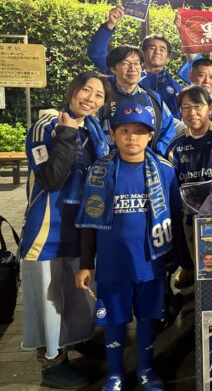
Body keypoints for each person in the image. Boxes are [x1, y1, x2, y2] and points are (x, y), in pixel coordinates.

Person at [75, 102, 181, 391]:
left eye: (139, 131)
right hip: (113, 265)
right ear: (113, 134)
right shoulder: (99, 172)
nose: (132, 137)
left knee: (148, 318)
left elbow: (174, 216)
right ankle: (115, 373)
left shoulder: (164, 171)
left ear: (150, 135)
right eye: (124, 131)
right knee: (115, 320)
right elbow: (88, 223)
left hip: (150, 262)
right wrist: (86, 264)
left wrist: (176, 259)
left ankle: (146, 369)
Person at [20, 72, 112, 388]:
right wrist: (67, 134)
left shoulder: (95, 131)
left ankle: (73, 340)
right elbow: (51, 179)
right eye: (86, 90)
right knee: (48, 298)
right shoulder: (47, 126)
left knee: (76, 295)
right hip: (48, 230)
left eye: (99, 95)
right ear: (72, 90)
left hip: (80, 228)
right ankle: (51, 362)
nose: (91, 98)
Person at [166, 85, 212, 288]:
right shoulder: (175, 146)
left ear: (210, 108)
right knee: (202, 269)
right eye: (186, 108)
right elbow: (172, 187)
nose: (192, 113)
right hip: (193, 219)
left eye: (198, 106)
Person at [88, 5, 181, 116]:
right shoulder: (123, 73)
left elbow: (176, 119)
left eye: (162, 49)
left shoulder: (175, 87)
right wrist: (110, 24)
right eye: (152, 48)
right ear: (143, 53)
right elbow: (96, 53)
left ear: (168, 58)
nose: (157, 52)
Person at [94, 43, 176, 156]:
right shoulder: (102, 98)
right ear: (113, 69)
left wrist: (157, 155)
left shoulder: (153, 98)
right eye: (125, 63)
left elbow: (168, 130)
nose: (132, 69)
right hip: (109, 162)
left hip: (149, 161)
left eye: (136, 63)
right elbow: (94, 134)